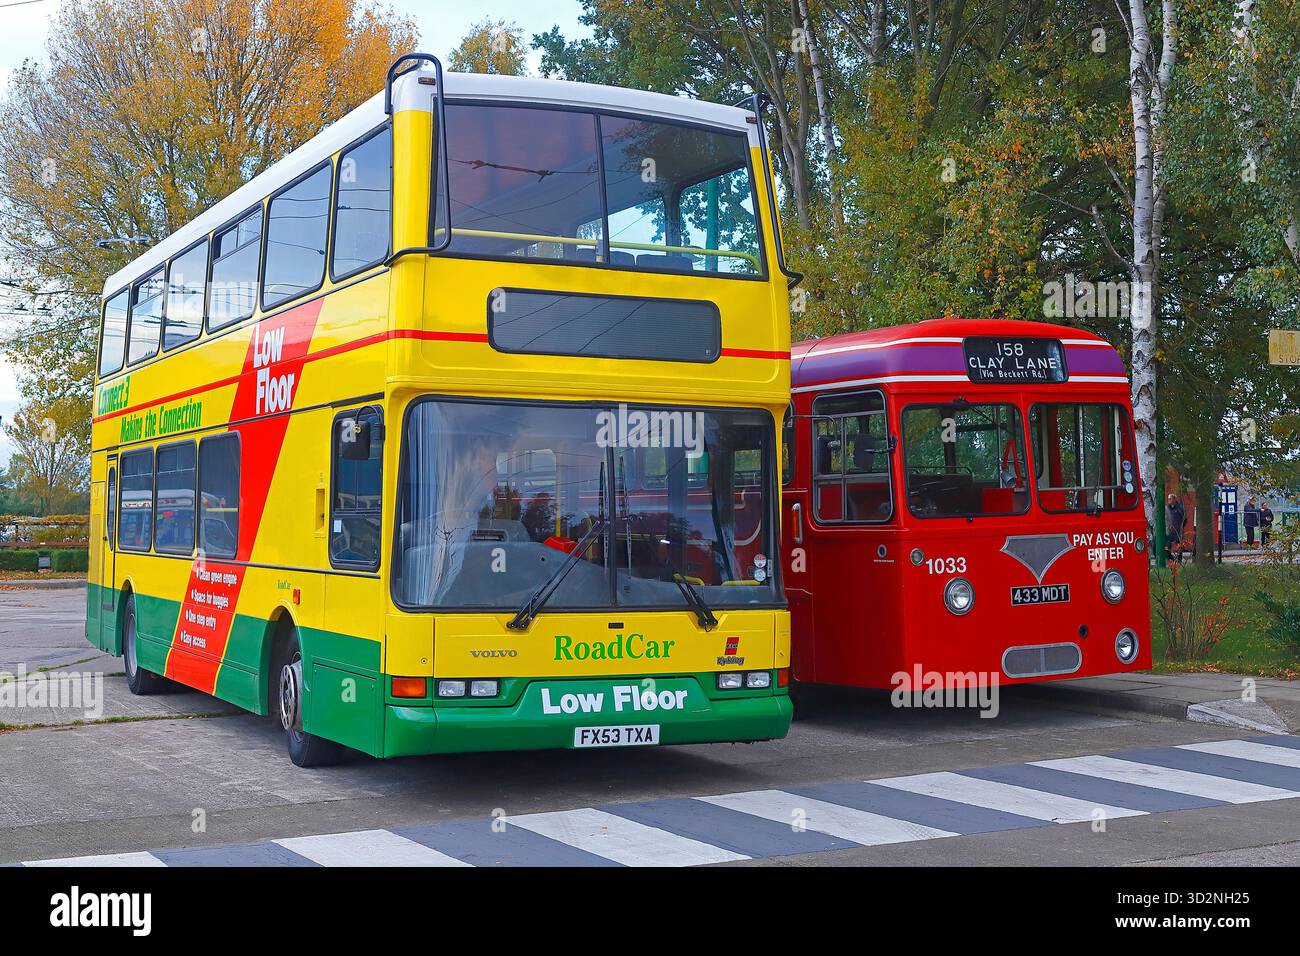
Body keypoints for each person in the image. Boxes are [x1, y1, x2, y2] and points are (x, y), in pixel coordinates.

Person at [1165, 492, 1186, 561]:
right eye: (1168, 499)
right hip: (1170, 530)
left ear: (1174, 499)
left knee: (1178, 545)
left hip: (1178, 530)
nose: (1169, 500)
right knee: (1167, 545)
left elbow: (1184, 519)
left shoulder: (1179, 508)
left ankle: (1179, 560)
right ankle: (1170, 559)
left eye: (1170, 499)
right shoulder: (1167, 508)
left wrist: (1181, 527)